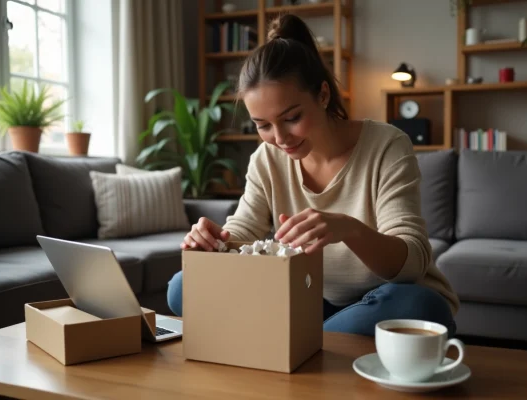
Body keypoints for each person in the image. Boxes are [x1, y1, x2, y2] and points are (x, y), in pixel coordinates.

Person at [167, 14, 459, 337]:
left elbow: (413, 260)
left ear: (322, 95)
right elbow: (243, 232)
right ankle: (316, 342)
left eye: (291, 118)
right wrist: (213, 246)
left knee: (421, 309)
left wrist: (347, 229)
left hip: (384, 297)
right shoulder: (267, 159)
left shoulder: (387, 146)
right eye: (262, 125)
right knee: (183, 286)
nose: (279, 138)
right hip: (309, 298)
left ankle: (298, 341)